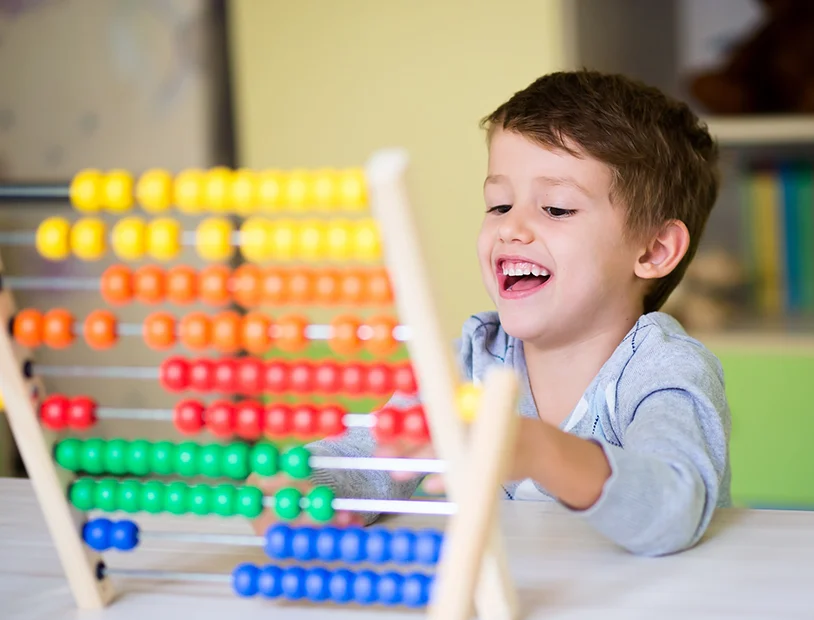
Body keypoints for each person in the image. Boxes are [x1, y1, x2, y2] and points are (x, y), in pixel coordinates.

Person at [264, 70, 731, 557]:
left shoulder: (664, 371)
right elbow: (370, 456)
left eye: (555, 208)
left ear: (655, 250)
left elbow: (675, 507)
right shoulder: (472, 362)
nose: (511, 228)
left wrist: (540, 451)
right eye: (499, 204)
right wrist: (303, 489)